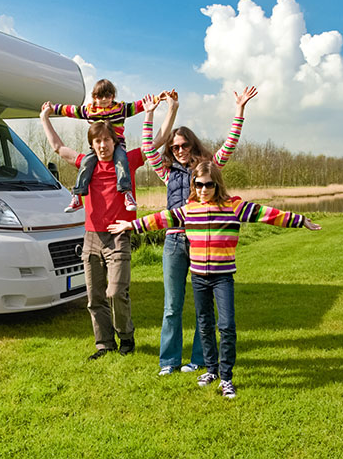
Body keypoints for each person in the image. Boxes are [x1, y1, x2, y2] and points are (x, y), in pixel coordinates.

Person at [108, 161, 321, 397]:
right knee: (205, 325)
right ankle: (211, 369)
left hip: (223, 278)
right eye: (198, 184)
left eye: (208, 184)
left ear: (217, 184)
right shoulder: (189, 209)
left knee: (227, 326)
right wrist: (131, 225)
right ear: (194, 185)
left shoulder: (234, 207)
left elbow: (267, 214)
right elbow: (161, 219)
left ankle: (226, 378)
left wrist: (300, 220)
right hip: (199, 278)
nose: (203, 189)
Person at [40, 95, 177, 360]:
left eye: (107, 140)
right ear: (92, 144)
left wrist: (171, 109)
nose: (103, 146)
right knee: (95, 297)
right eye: (97, 141)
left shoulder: (130, 161)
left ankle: (126, 337)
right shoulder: (85, 164)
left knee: (115, 292)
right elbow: (58, 147)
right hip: (91, 237)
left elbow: (158, 140)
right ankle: (104, 344)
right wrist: (45, 119)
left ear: (115, 142)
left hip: (118, 237)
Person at [141, 86, 257, 377]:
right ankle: (169, 361)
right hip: (173, 242)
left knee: (202, 307)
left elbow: (230, 144)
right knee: (172, 305)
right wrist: (151, 114)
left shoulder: (206, 170)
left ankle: (200, 359)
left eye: (184, 145)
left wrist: (240, 109)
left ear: (193, 145)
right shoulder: (166, 172)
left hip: (202, 241)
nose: (180, 150)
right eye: (175, 147)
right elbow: (146, 148)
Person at [44, 79, 164, 213]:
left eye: (108, 96)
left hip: (118, 144)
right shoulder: (90, 111)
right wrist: (53, 108)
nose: (104, 99)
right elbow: (71, 110)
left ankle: (126, 193)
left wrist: (158, 98)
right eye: (100, 96)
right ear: (94, 98)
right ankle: (77, 195)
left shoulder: (120, 109)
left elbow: (139, 105)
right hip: (96, 148)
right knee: (86, 163)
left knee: (121, 160)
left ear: (113, 96)